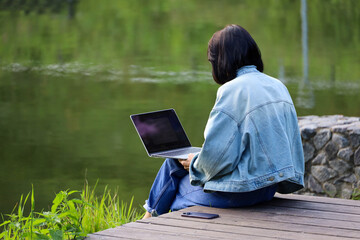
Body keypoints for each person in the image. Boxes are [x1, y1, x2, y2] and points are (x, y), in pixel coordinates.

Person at [142, 24, 305, 219]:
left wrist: (196, 163)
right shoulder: (277, 85)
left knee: (174, 189)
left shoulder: (231, 91)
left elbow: (216, 161)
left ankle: (146, 222)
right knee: (175, 166)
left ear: (219, 60)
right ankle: (148, 218)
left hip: (241, 193)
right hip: (268, 189)